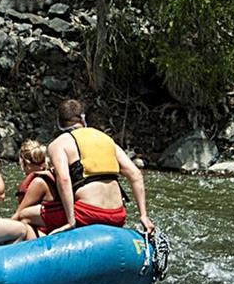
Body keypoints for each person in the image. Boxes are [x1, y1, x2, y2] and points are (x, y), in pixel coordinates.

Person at [45, 97, 155, 234]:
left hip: (87, 214)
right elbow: (136, 174)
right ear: (83, 119)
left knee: (26, 216)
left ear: (59, 122)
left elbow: (64, 179)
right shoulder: (107, 139)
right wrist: (143, 215)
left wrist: (70, 220)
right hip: (117, 216)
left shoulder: (58, 144)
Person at [12, 140, 60, 236]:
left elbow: (17, 215)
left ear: (24, 162)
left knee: (21, 219)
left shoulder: (38, 183)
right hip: (51, 225)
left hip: (45, 232)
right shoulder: (51, 174)